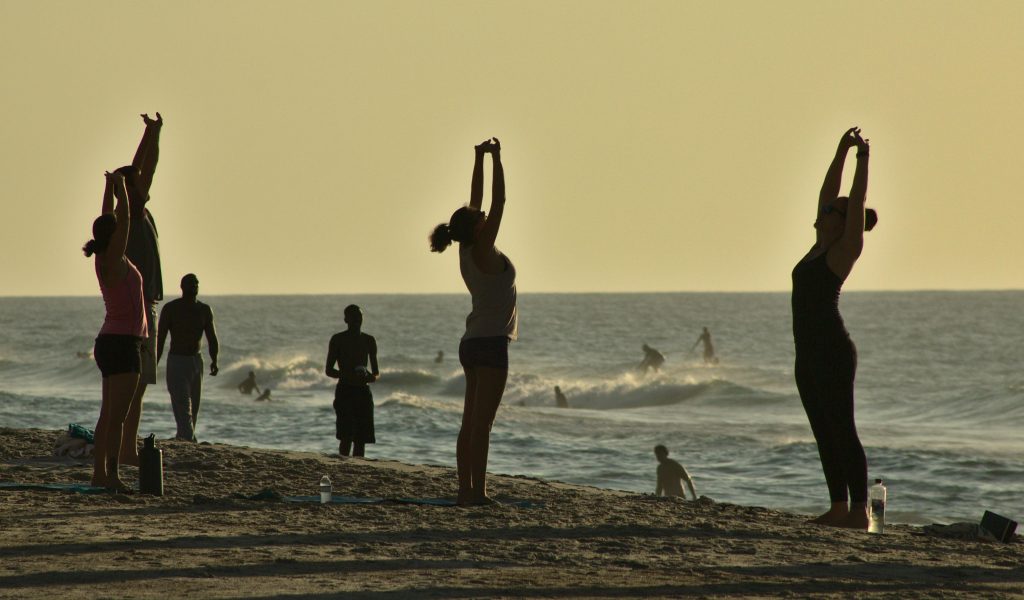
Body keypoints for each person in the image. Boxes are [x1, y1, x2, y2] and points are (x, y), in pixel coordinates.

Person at [792, 126, 877, 530]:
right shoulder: (817, 245)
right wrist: (840, 150)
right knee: (822, 430)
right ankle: (838, 507)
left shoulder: (844, 250)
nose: (825, 211)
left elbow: (854, 200)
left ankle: (860, 511)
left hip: (833, 351)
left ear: (845, 223)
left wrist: (863, 159)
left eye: (833, 211)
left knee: (843, 428)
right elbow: (828, 194)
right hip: (807, 354)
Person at [429, 137, 516, 506]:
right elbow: (498, 202)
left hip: (471, 342)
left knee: (470, 423)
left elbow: (477, 202)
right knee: (483, 425)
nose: (484, 216)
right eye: (480, 219)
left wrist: (479, 157)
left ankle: (465, 489)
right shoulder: (481, 246)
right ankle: (476, 493)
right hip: (491, 343)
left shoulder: (466, 245)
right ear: (479, 228)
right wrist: (497, 158)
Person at [84, 169, 146, 492]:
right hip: (123, 344)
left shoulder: (102, 258)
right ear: (114, 236)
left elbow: (109, 217)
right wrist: (121, 186)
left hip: (110, 341)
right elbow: (120, 219)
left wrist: (108, 186)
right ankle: (112, 476)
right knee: (117, 418)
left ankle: (100, 475)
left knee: (107, 414)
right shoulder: (114, 257)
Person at [119, 112, 164, 467]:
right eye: (136, 186)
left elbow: (141, 171)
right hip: (140, 308)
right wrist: (150, 135)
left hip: (144, 305)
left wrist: (152, 133)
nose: (144, 186)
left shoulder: (137, 213)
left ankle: (127, 446)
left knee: (137, 385)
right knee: (134, 385)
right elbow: (142, 172)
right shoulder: (128, 216)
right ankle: (126, 448)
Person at [156, 273, 219, 442]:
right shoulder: (171, 309)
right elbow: (160, 337)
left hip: (196, 361)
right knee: (182, 403)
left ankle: (184, 437)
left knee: (194, 405)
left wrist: (215, 360)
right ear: (182, 287)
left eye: (197, 284)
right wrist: (154, 362)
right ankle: (188, 437)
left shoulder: (204, 310)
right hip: (177, 361)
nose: (195, 286)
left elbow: (212, 338)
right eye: (191, 284)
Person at [325, 305, 380, 457]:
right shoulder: (338, 340)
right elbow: (329, 370)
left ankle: (358, 466)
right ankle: (343, 465)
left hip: (363, 391)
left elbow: (376, 373)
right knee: (346, 435)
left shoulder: (369, 340)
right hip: (345, 390)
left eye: (359, 317)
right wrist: (346, 374)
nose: (357, 321)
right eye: (353, 317)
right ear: (346, 320)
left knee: (361, 438)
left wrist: (369, 376)